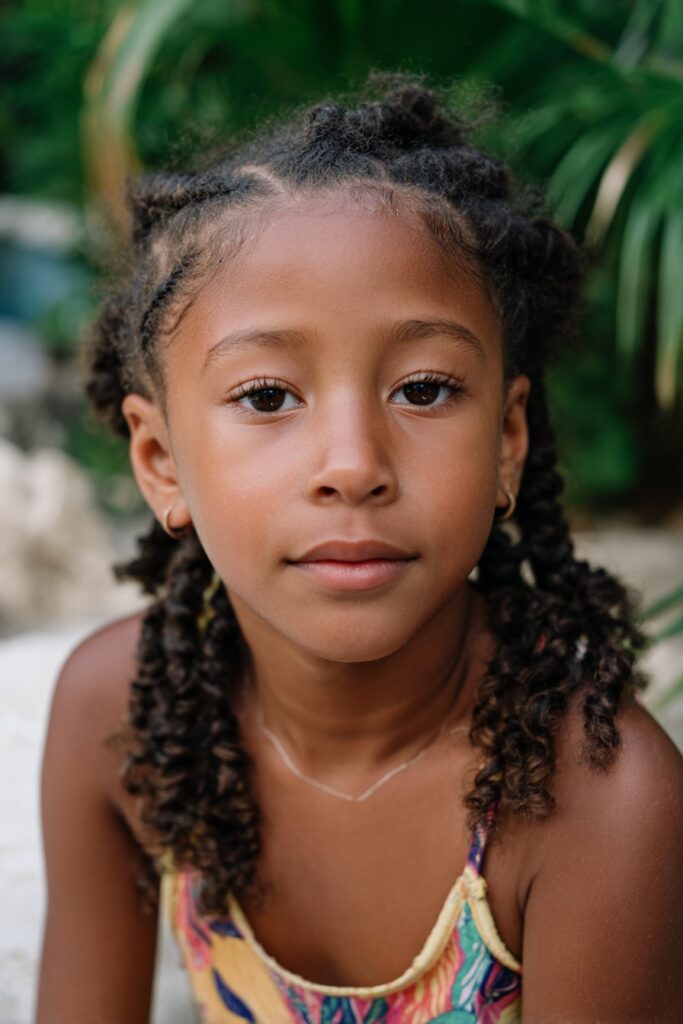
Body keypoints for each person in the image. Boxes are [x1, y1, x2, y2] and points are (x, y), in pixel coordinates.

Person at [36, 75, 683, 1024]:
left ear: (508, 441)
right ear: (159, 461)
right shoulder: (119, 712)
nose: (352, 466)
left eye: (422, 389)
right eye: (267, 397)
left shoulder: (598, 801)